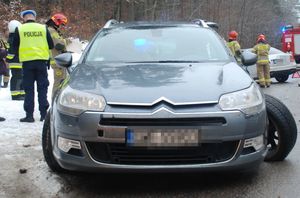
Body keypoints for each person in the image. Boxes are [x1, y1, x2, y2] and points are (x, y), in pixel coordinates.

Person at [13, 9, 54, 122]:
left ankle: (29, 116)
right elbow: (51, 45)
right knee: (42, 88)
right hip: (41, 63)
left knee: (29, 89)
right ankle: (43, 115)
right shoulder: (43, 28)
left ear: (24, 18)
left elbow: (14, 46)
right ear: (34, 17)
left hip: (27, 64)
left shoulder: (20, 29)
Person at [45, 13, 68, 99]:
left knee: (62, 82)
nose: (61, 27)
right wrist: (68, 43)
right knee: (58, 82)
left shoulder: (53, 30)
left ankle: (59, 100)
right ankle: (54, 100)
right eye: (61, 24)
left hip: (60, 60)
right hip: (57, 61)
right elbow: (59, 44)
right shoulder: (51, 31)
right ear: (57, 22)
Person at [7, 20, 25, 100]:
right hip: (16, 61)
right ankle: (15, 95)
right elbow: (12, 50)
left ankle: (21, 93)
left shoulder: (13, 36)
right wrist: (9, 58)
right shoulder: (13, 37)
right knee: (17, 78)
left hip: (18, 60)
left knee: (20, 77)